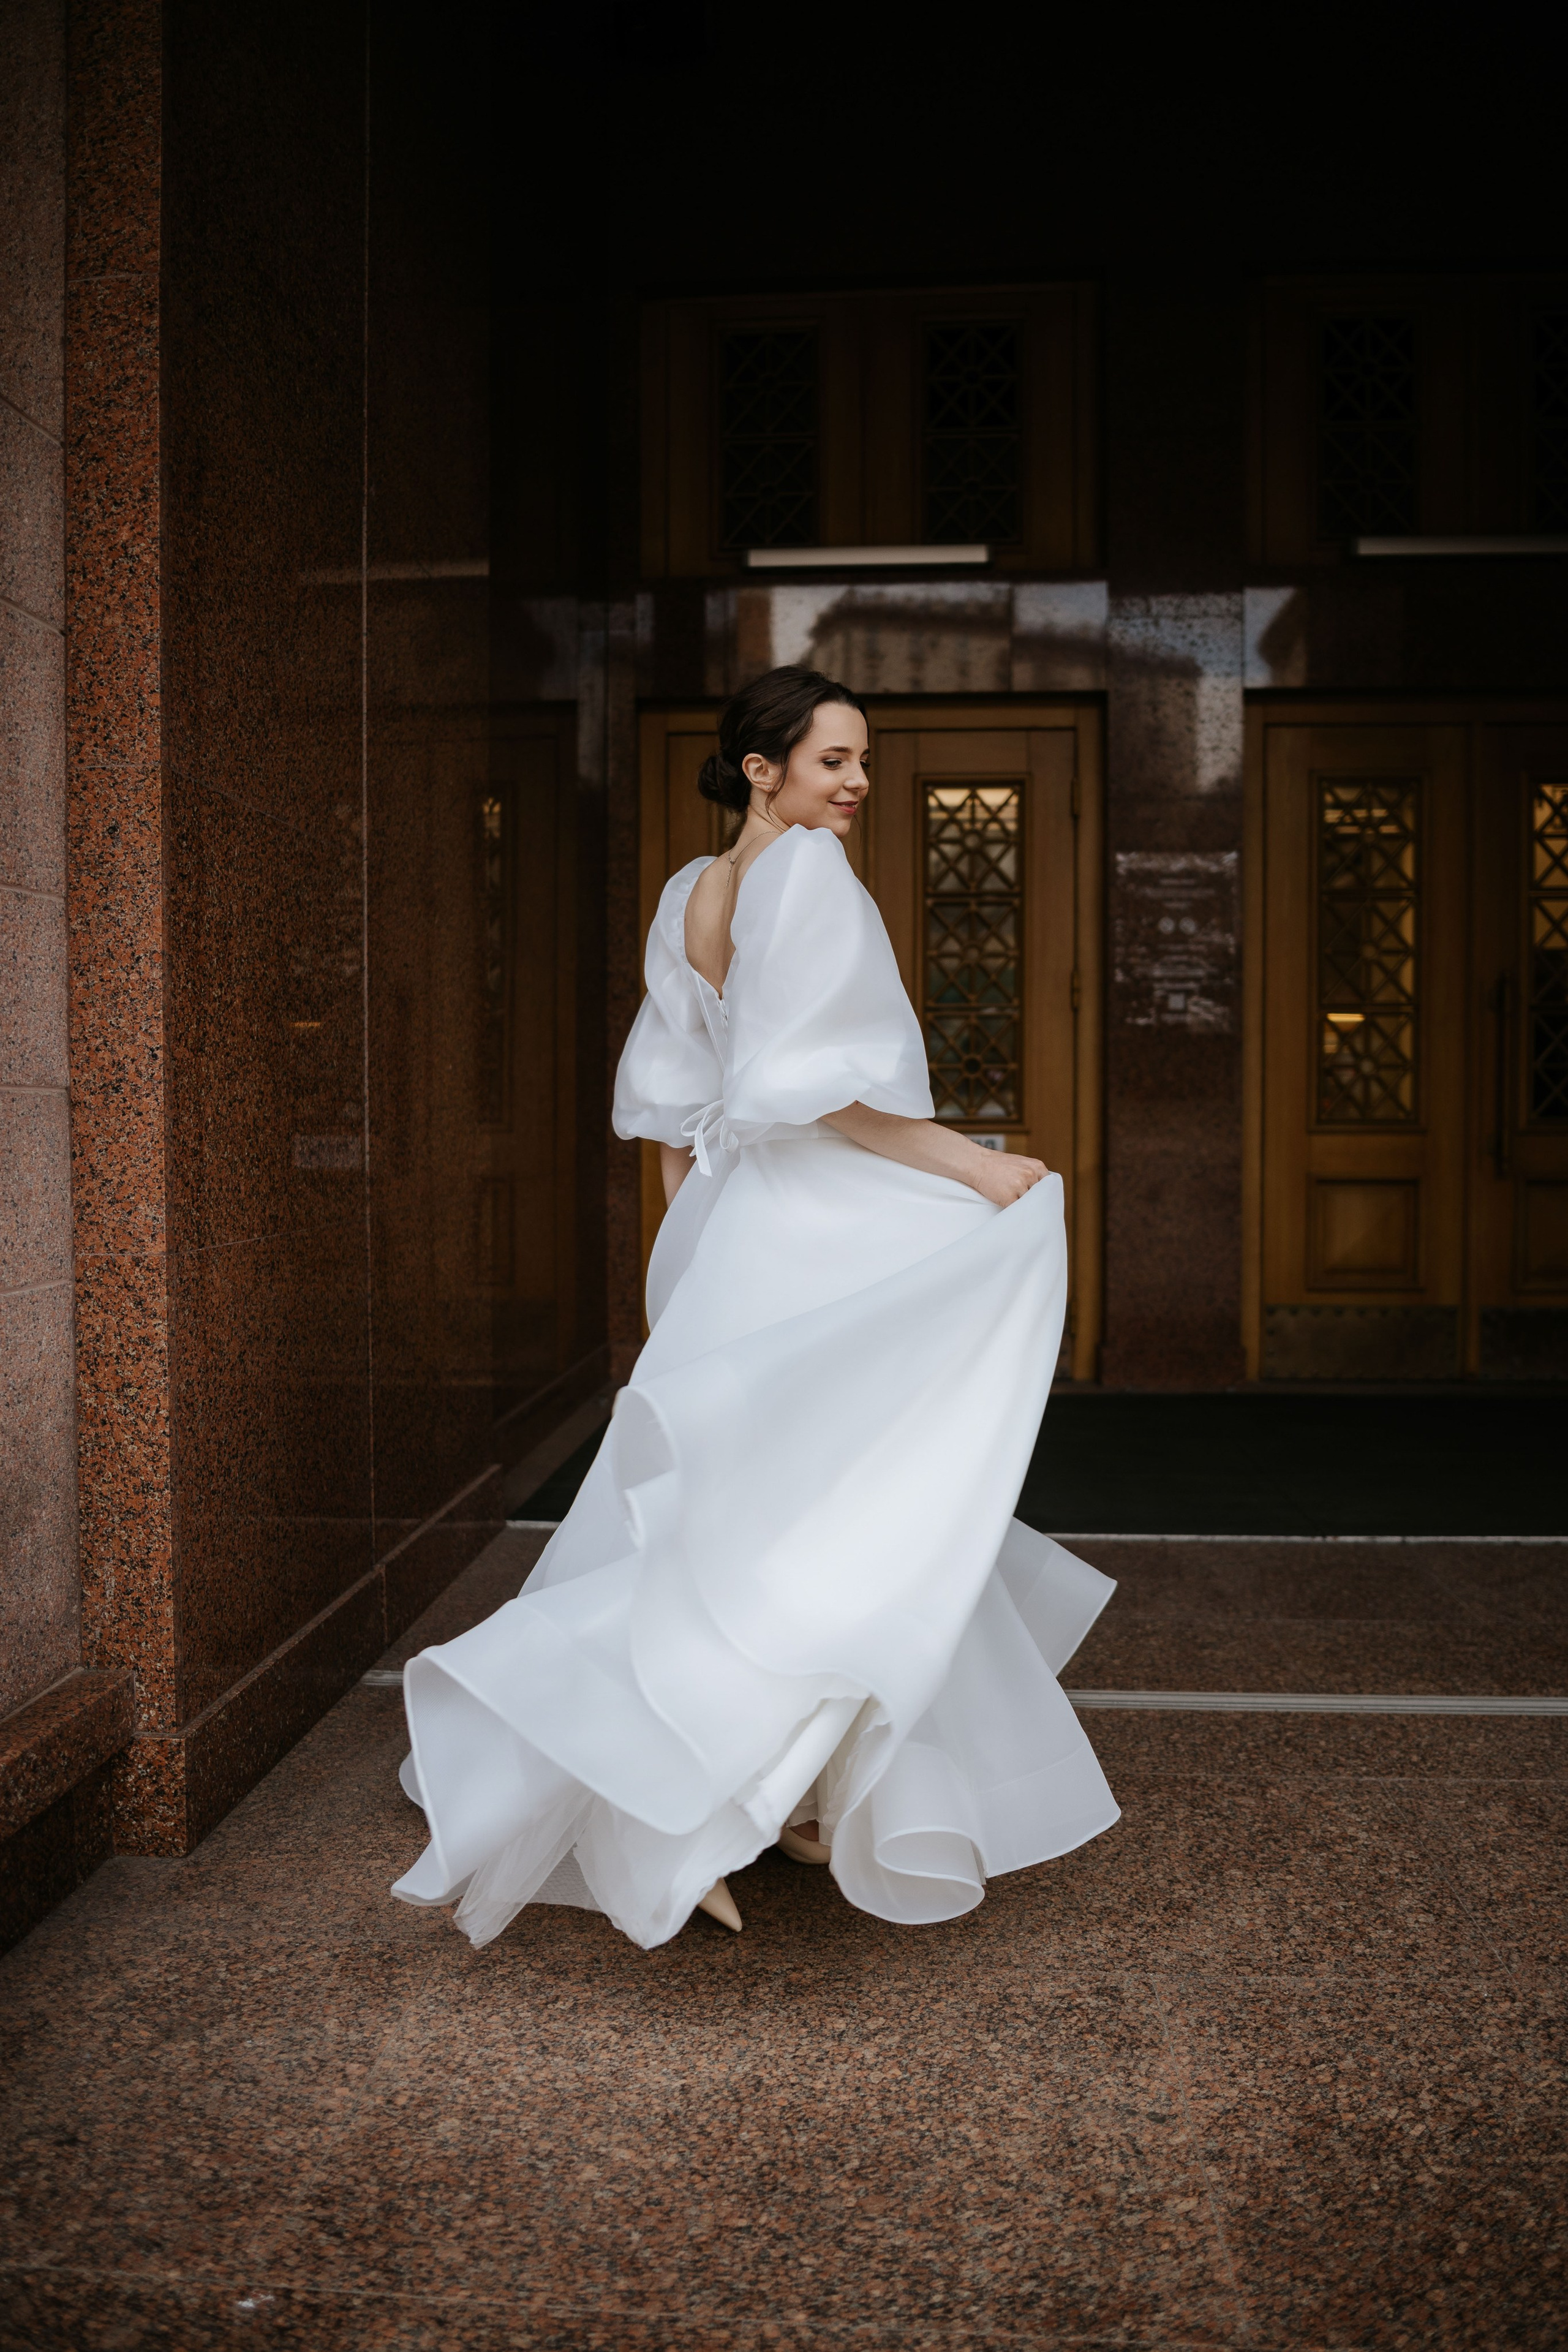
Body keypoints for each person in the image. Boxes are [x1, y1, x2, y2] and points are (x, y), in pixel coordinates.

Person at [391, 666, 1119, 1949]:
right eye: (834, 760)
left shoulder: (692, 890)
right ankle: (721, 1804)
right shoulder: (809, 875)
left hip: (732, 1227)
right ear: (760, 768)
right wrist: (976, 1165)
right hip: (816, 1221)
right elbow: (820, 1092)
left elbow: (678, 1113)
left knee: (732, 1516)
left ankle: (757, 1793)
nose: (857, 784)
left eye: (862, 761)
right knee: (840, 1509)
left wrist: (687, 1257)